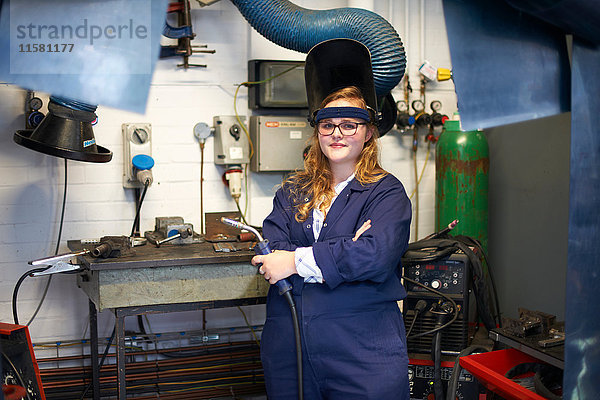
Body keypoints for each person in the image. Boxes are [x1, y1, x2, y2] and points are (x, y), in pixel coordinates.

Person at [251, 84, 412, 399]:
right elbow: (271, 247)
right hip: (290, 349)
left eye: (349, 125)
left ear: (367, 133)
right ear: (318, 132)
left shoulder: (386, 193)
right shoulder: (293, 191)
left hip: (361, 351)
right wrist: (343, 248)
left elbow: (374, 255)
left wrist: (294, 262)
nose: (337, 133)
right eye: (328, 125)